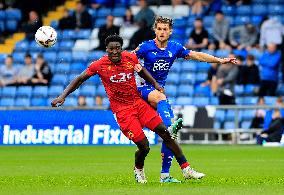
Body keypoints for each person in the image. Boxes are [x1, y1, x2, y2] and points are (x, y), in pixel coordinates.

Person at [51, 34, 205, 183]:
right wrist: (63, 96)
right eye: (111, 49)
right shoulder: (99, 65)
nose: (115, 51)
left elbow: (142, 71)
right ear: (107, 50)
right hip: (123, 112)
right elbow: (79, 79)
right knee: (144, 147)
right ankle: (138, 169)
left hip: (138, 104)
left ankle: (186, 169)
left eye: (117, 48)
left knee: (165, 132)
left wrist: (155, 84)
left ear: (121, 48)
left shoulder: (130, 58)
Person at [134, 16, 236, 182]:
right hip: (142, 89)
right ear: (155, 30)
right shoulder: (145, 47)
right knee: (165, 110)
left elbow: (196, 55)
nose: (162, 32)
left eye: (165, 29)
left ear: (170, 31)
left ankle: (165, 175)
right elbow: (127, 59)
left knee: (169, 136)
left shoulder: (174, 48)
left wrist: (219, 60)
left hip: (157, 91)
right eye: (159, 29)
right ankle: (169, 128)